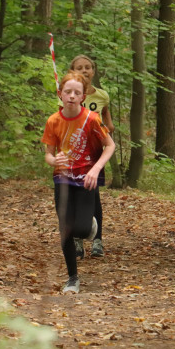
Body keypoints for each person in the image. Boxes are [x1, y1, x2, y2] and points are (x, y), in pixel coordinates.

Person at [42, 70, 115, 294]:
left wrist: (95, 169)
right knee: (65, 230)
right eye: (68, 92)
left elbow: (110, 146)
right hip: (62, 179)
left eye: (77, 92)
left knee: (82, 230)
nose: (72, 96)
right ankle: (72, 278)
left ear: (83, 97)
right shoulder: (53, 121)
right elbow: (48, 155)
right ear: (60, 94)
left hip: (86, 180)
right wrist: (54, 159)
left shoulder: (92, 119)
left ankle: (90, 227)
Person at [68, 54, 114, 257]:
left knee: (93, 196)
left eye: (88, 67)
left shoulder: (102, 96)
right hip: (74, 154)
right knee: (75, 196)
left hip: (94, 154)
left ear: (93, 71)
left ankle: (97, 240)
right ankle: (77, 240)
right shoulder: (70, 95)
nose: (84, 71)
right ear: (73, 72)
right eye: (79, 68)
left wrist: (105, 128)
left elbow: (108, 122)